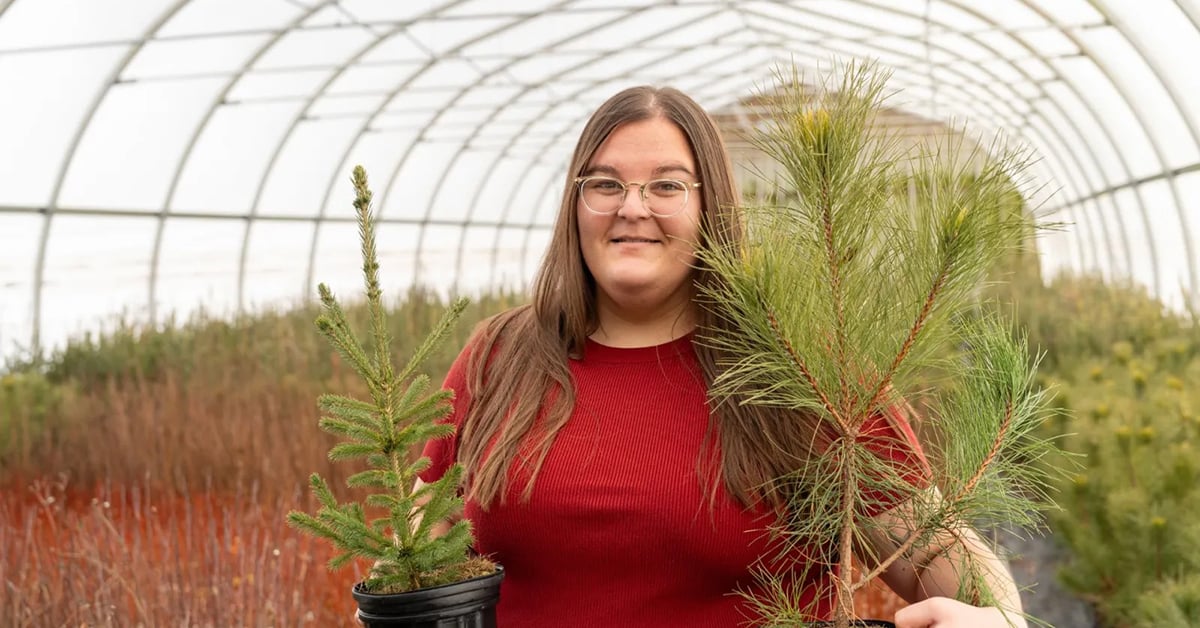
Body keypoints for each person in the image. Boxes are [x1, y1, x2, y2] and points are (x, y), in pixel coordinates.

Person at [415, 85, 1029, 627]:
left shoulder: (794, 368)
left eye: (667, 185)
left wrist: (1001, 619)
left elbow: (933, 548)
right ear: (575, 205)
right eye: (604, 184)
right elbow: (419, 534)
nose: (633, 207)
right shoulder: (500, 358)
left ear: (711, 208)